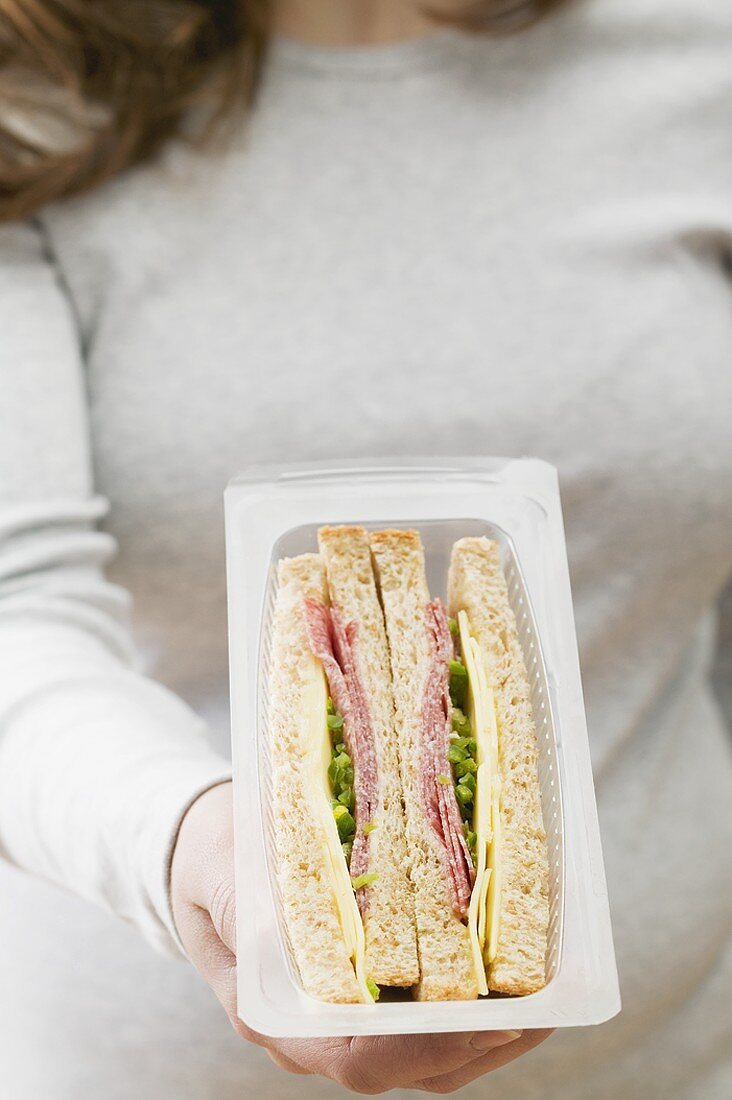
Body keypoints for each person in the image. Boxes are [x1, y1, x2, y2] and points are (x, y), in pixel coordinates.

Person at [1, 0, 731, 1096]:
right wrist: (194, 840)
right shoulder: (33, 93)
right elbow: (18, 605)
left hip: (673, 1062)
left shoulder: (701, 55)